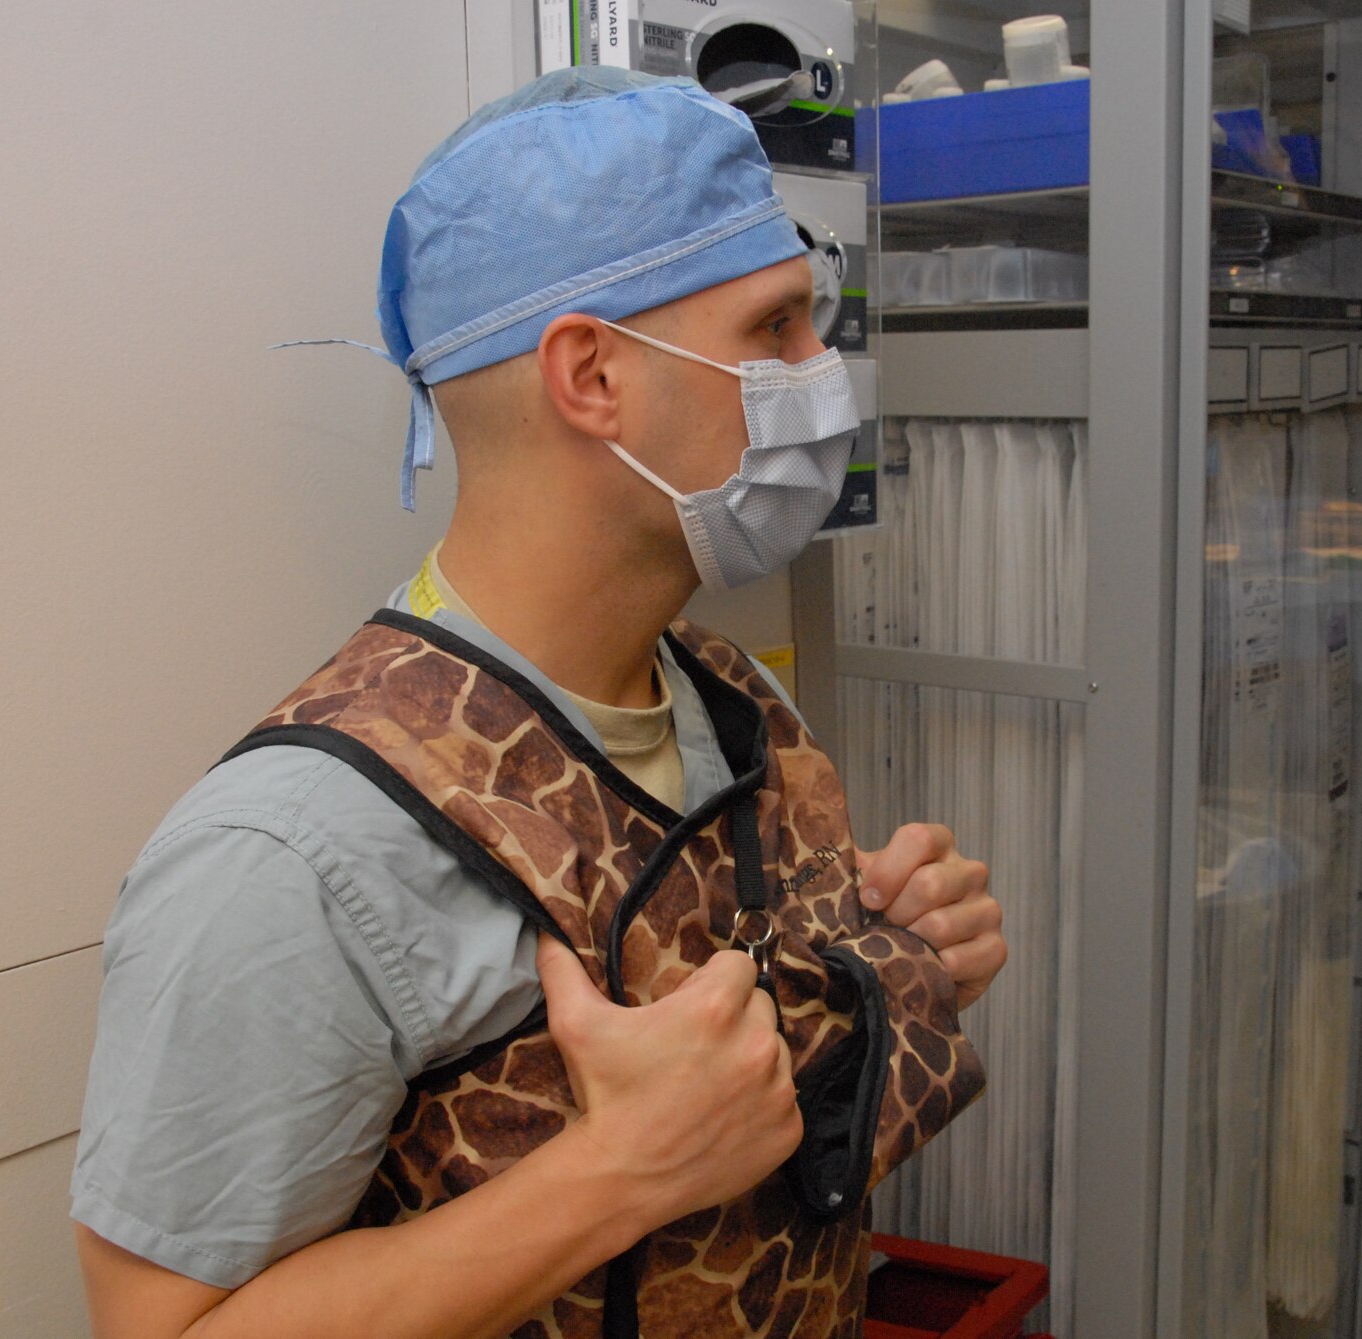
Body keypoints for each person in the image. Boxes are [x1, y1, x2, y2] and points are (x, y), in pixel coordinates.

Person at [72, 68, 1007, 1339]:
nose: (820, 370)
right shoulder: (296, 852)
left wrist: (886, 956)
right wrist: (613, 1172)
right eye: (776, 327)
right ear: (591, 375)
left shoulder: (729, 702)